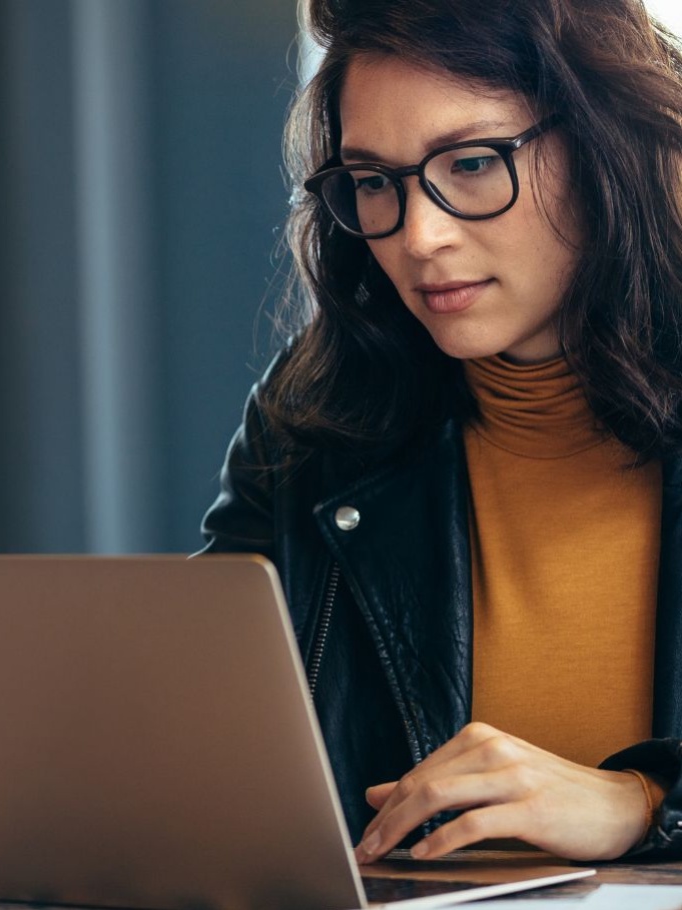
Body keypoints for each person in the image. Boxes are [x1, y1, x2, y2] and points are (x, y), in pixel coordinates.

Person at [200, 0, 682, 863]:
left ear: (605, 144)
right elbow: (188, 744)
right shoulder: (312, 422)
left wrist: (644, 803)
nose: (420, 236)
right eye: (374, 181)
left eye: (472, 162)